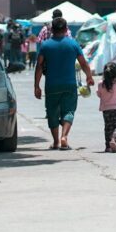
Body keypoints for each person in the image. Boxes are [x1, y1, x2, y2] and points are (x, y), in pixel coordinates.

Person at [35, 17, 94, 150]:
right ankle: (64, 137)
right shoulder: (73, 44)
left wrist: (36, 86)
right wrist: (89, 77)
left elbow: (39, 66)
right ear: (66, 29)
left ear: (52, 29)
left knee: (52, 112)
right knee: (69, 110)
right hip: (69, 84)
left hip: (51, 85)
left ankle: (56, 141)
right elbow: (83, 63)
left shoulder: (45, 45)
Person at [97, 62, 116, 153]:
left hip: (105, 109)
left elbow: (99, 94)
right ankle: (113, 140)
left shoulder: (101, 84)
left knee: (107, 127)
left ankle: (107, 146)